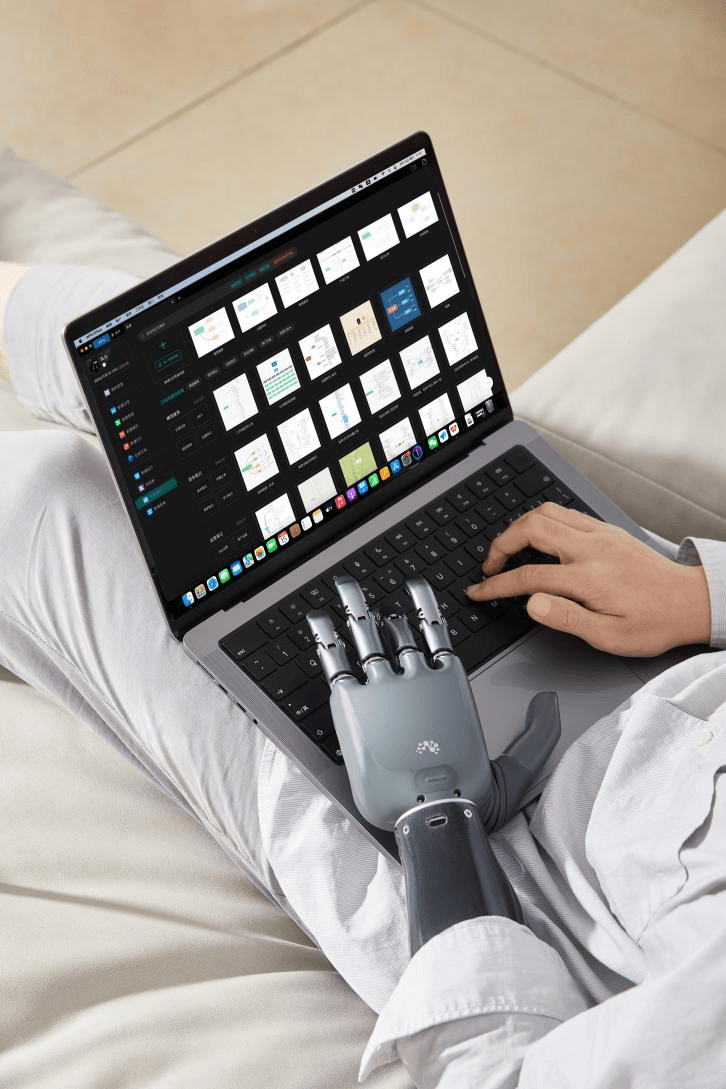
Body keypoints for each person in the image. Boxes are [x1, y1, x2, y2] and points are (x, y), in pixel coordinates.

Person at [1, 256, 725, 1088]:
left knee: (37, 502)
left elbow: (495, 1068)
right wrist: (696, 594)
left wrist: (434, 805)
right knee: (202, 345)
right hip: (666, 647)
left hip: (496, 872)